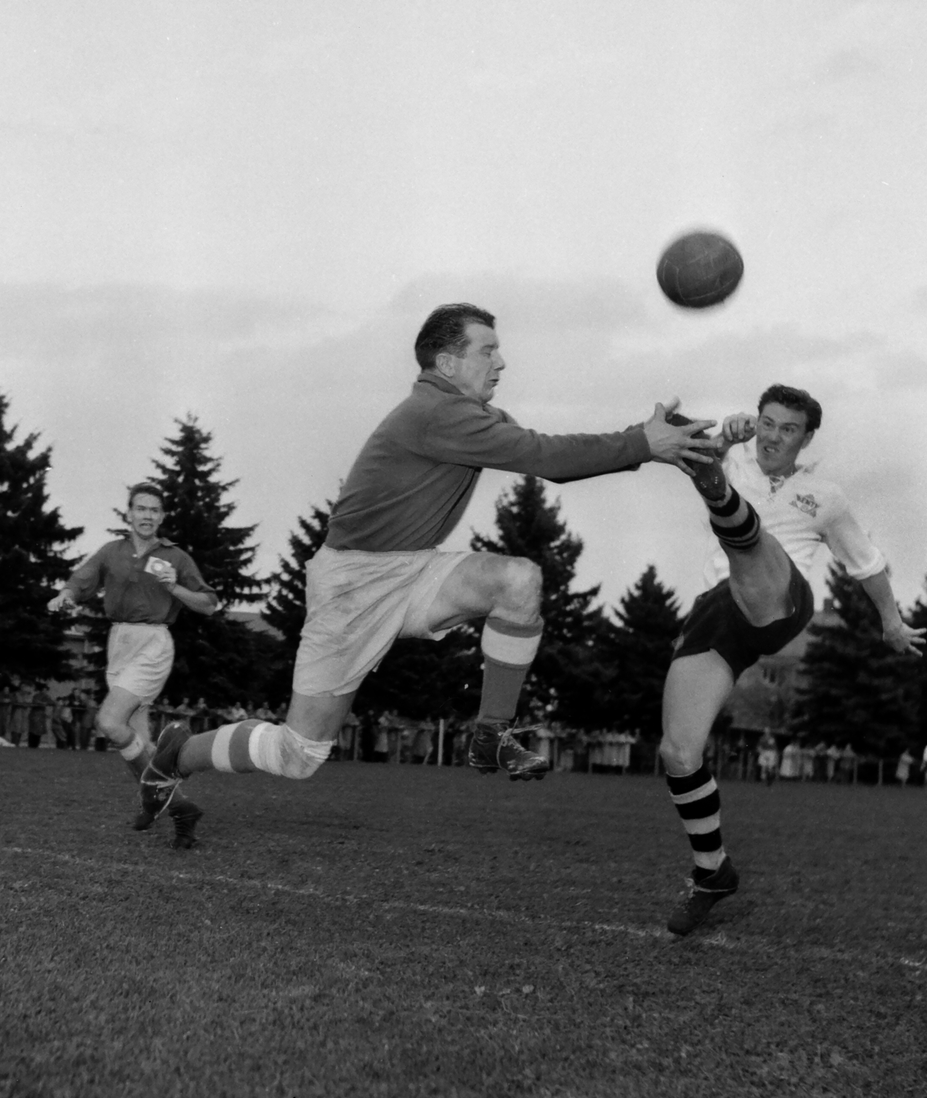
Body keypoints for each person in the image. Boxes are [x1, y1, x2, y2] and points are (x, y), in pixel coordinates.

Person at [138, 302, 713, 846]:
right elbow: (547, 458)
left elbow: (556, 451)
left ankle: (492, 733)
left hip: (413, 570)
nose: (501, 361)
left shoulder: (466, 414)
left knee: (518, 581)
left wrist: (650, 438)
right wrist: (642, 442)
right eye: (488, 350)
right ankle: (178, 753)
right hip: (352, 588)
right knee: (298, 754)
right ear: (447, 363)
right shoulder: (437, 413)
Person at [657, 384, 925, 936]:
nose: (773, 436)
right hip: (717, 614)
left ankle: (716, 496)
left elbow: (867, 564)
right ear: (754, 421)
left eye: (788, 429)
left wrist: (891, 621)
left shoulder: (824, 496)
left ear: (805, 439)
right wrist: (695, 427)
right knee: (678, 752)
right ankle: (712, 871)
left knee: (758, 549)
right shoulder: (732, 452)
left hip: (784, 597)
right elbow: (672, 432)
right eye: (767, 423)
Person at [48, 484, 217, 840]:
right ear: (129, 513)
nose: (147, 516)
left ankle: (158, 796)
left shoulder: (176, 558)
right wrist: (66, 593)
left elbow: (207, 603)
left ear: (162, 516)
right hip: (119, 642)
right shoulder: (113, 551)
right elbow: (84, 578)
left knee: (109, 721)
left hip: (153, 643)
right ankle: (180, 808)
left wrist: (174, 589)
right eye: (141, 509)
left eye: (154, 510)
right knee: (137, 743)